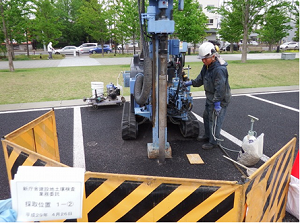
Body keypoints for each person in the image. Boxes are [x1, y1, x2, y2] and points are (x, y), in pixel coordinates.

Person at [184, 42, 231, 150]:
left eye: (206, 58)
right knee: (206, 116)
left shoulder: (219, 69)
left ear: (213, 56)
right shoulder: (207, 66)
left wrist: (217, 103)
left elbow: (220, 88)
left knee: (214, 121)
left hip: (220, 99)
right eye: (202, 59)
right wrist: (189, 83)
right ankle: (207, 135)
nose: (203, 61)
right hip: (210, 97)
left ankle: (214, 141)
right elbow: (200, 79)